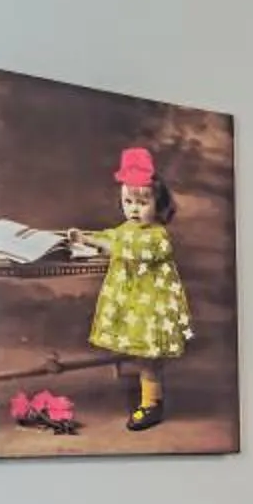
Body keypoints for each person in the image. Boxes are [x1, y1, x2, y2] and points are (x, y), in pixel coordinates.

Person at [67, 146, 190, 431]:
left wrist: (102, 244)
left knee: (148, 359)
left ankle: (152, 404)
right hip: (133, 304)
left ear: (158, 205)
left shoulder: (158, 236)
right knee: (139, 355)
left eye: (142, 202)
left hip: (150, 308)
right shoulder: (127, 228)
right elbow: (112, 235)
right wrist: (86, 237)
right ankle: (148, 398)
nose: (134, 208)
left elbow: (130, 248)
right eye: (128, 201)